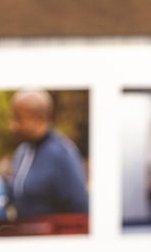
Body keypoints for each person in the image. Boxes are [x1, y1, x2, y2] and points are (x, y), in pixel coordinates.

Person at [7, 89, 89, 217]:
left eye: (18, 118)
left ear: (39, 119)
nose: (12, 125)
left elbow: (79, 211)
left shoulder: (62, 155)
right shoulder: (22, 152)